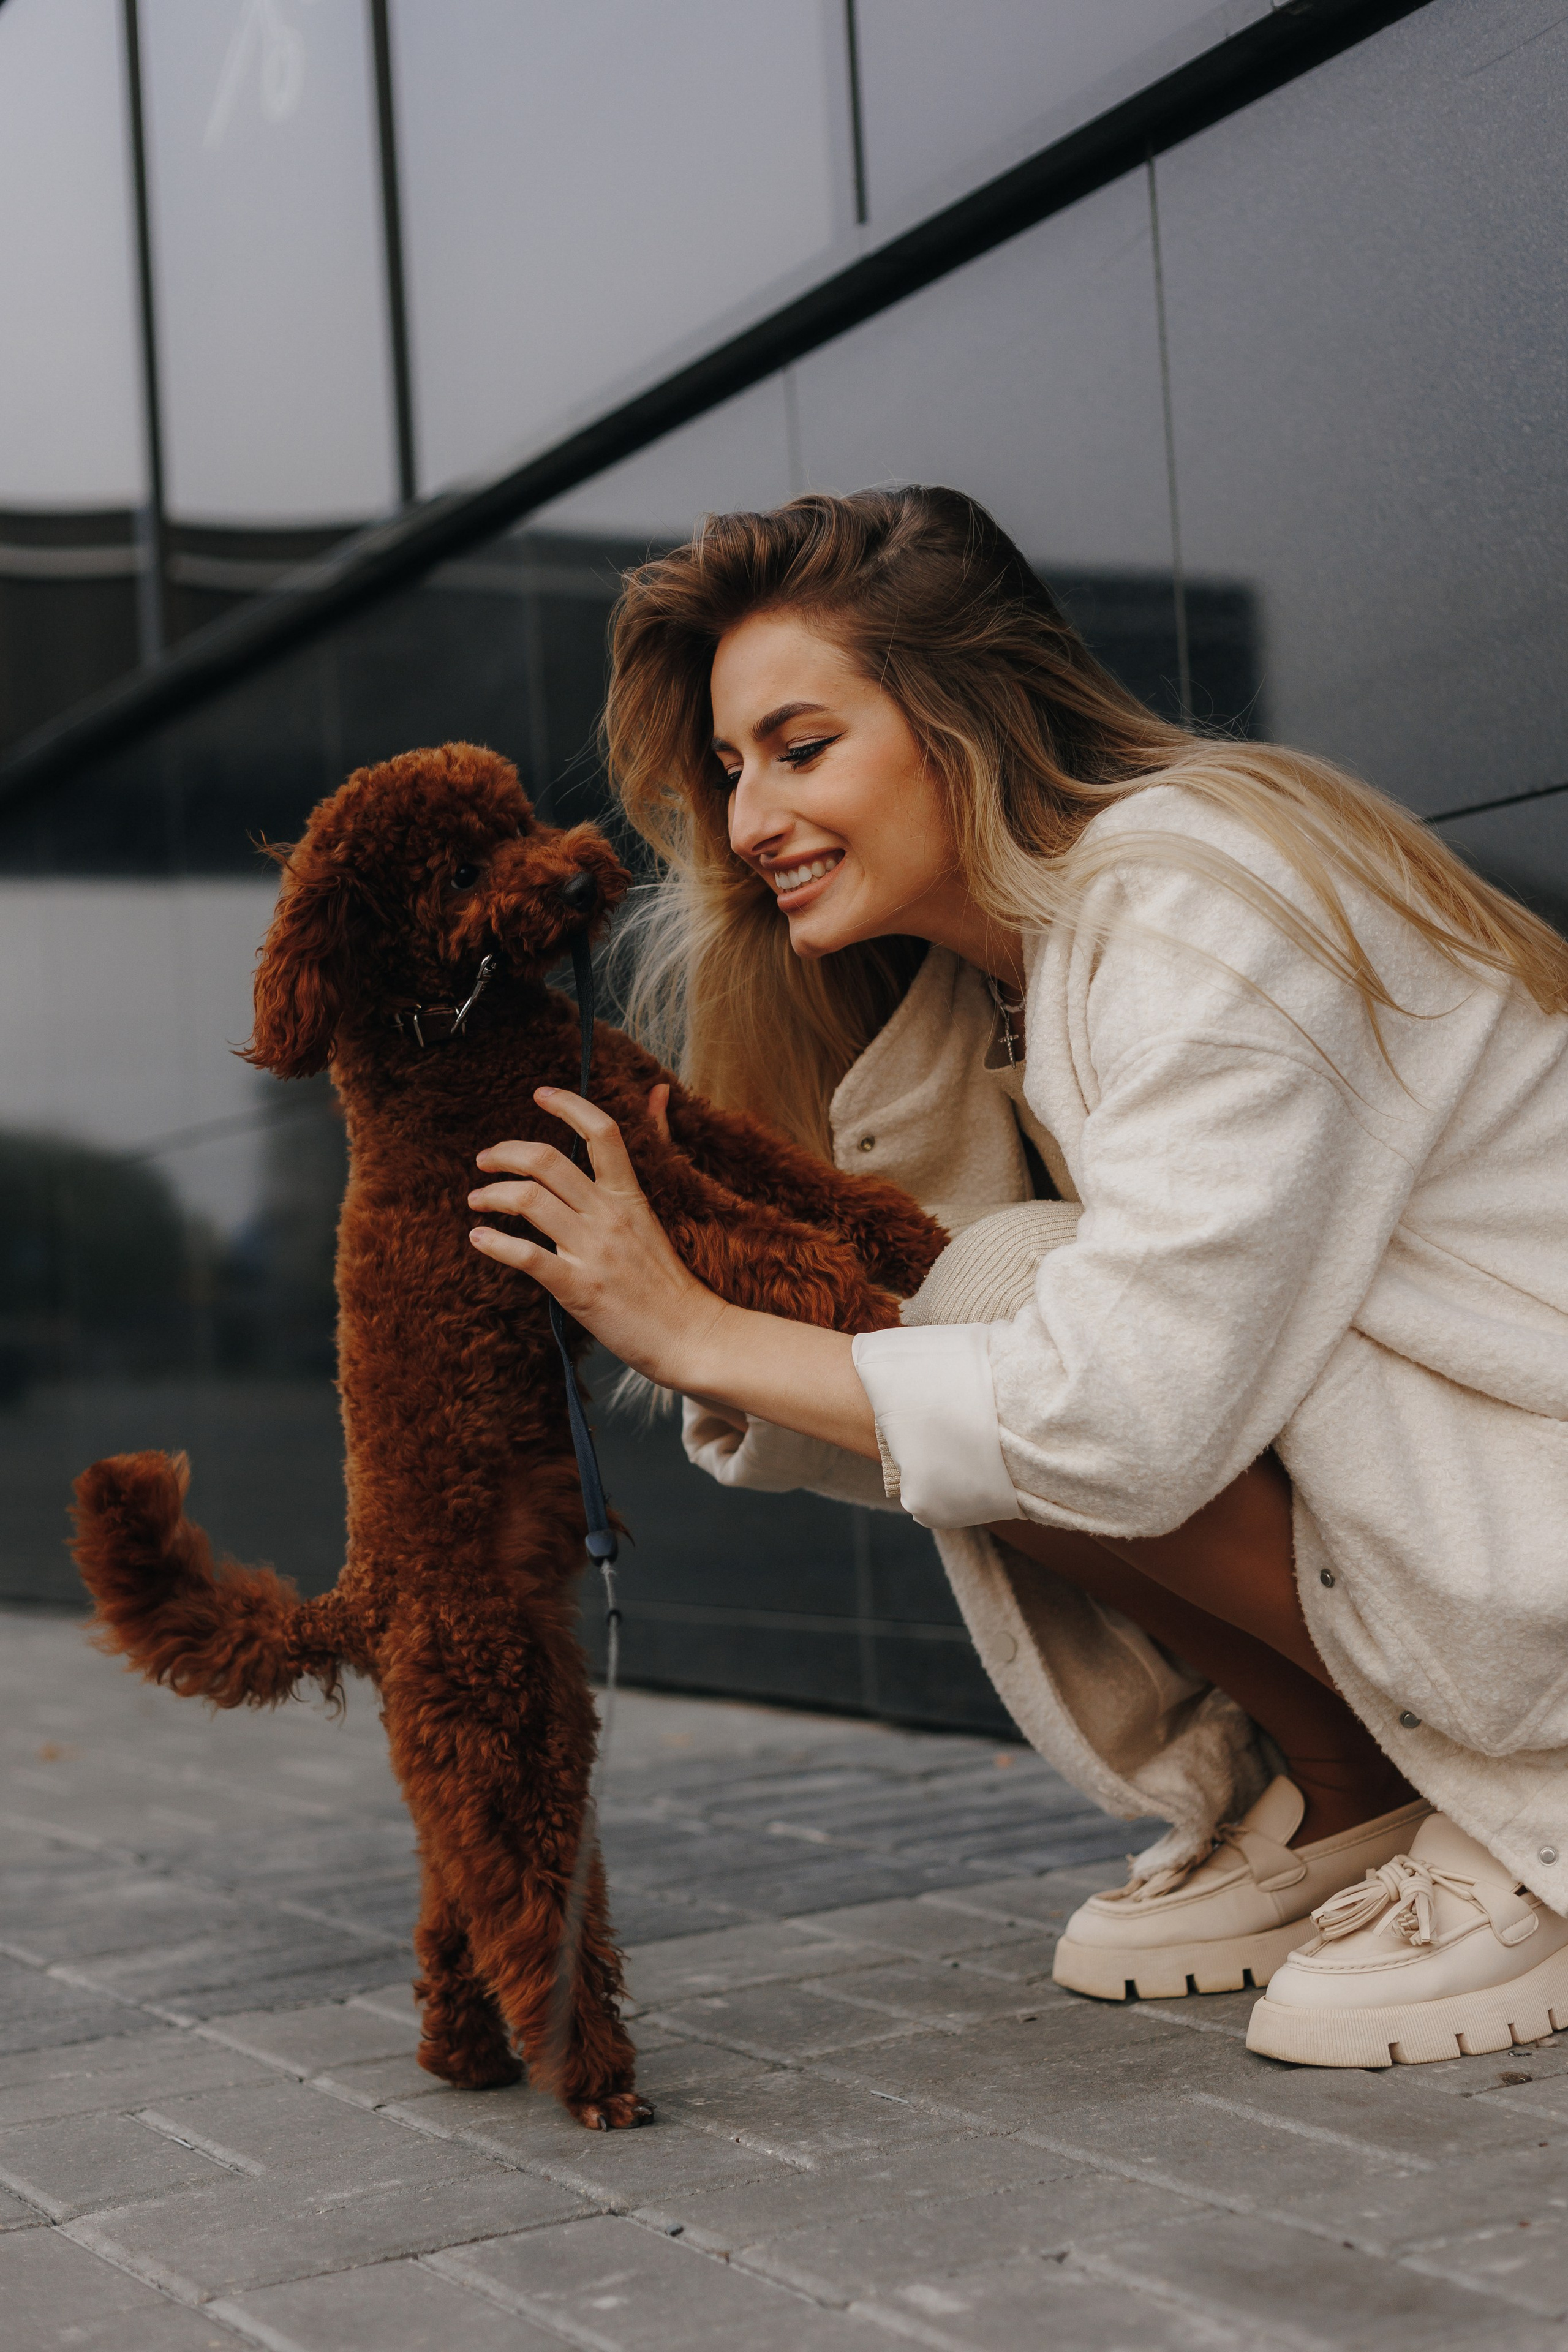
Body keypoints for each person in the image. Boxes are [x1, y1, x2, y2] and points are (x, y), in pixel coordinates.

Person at [467, 487, 1568, 2068]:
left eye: (799, 746)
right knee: (990, 1298)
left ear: (958, 721)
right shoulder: (990, 987)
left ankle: (1530, 1794)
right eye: (727, 770)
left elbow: (1121, 1416)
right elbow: (938, 1391)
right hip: (1481, 1473)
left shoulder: (1199, 901)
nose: (750, 819)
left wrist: (695, 1328)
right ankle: (1366, 1794)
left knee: (1018, 1316)